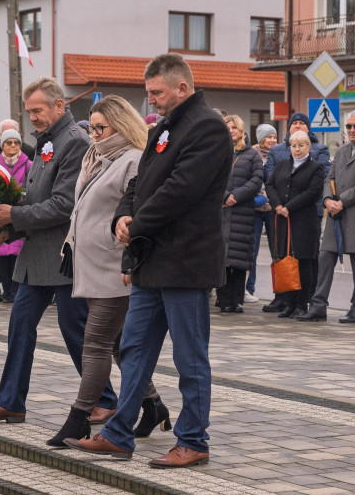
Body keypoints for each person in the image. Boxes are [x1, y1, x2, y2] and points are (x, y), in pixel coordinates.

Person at [65, 53, 231, 468]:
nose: (150, 100)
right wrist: (123, 216)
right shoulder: (164, 128)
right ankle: (118, 434)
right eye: (149, 93)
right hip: (150, 260)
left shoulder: (207, 127)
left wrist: (136, 224)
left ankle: (193, 440)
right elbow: (140, 182)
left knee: (189, 357)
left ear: (181, 87)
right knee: (134, 349)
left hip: (186, 263)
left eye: (156, 92)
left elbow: (182, 190)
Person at [0, 77, 118, 425]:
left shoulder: (74, 141)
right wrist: (7, 227)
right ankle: (11, 402)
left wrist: (13, 216)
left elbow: (64, 204)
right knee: (20, 325)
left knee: (74, 329)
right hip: (37, 255)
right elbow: (36, 198)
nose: (32, 117)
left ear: (59, 106)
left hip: (65, 255)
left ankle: (105, 399)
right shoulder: (47, 140)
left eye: (38, 110)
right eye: (29, 111)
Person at [47, 95, 169, 447]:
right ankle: (153, 405)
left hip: (116, 267)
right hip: (94, 264)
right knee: (116, 345)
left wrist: (129, 257)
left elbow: (137, 214)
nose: (95, 134)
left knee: (96, 343)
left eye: (102, 128)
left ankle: (79, 418)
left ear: (121, 125)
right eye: (93, 127)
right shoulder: (97, 157)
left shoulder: (133, 160)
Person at [297, 110, 355, 323]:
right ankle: (318, 305)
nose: (352, 130)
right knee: (325, 257)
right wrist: (328, 200)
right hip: (336, 213)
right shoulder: (342, 149)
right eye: (348, 126)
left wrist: (341, 201)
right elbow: (330, 178)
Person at [262, 113, 331, 313]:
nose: (297, 149)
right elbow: (270, 184)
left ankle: (302, 304)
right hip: (283, 219)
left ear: (308, 147)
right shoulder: (282, 164)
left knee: (303, 261)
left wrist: (289, 207)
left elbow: (313, 192)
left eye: (301, 145)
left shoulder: (315, 167)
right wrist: (277, 205)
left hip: (304, 220)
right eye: (294, 146)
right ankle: (288, 303)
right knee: (285, 259)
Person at [216, 114, 262, 314]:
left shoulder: (252, 155)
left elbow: (257, 179)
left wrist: (236, 196)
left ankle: (237, 300)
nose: (231, 131)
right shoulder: (217, 152)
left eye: (234, 127)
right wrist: (225, 196)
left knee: (239, 259)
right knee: (222, 258)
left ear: (241, 130)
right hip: (222, 210)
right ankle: (224, 300)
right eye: (228, 127)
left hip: (242, 211)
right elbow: (211, 177)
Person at [0, 128, 31, 303]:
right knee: (1, 255)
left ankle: (15, 291)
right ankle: (6, 291)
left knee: (16, 255)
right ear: (2, 145)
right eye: (9, 142)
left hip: (18, 213)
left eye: (16, 142)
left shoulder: (28, 164)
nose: (13, 145)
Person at [246, 123, 278, 303]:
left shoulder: (279, 153)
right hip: (255, 208)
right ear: (261, 138)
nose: (272, 140)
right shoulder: (252, 154)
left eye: (274, 137)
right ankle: (248, 288)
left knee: (277, 251)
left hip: (273, 208)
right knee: (252, 251)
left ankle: (280, 291)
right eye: (269, 137)